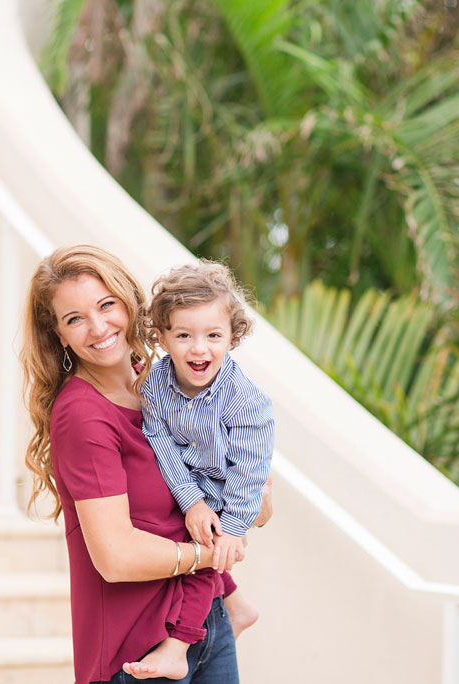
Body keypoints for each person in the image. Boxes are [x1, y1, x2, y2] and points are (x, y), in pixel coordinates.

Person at [21, 245, 270, 684]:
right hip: (136, 652)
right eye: (74, 319)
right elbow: (116, 557)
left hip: (203, 627)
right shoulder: (82, 414)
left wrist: (247, 504)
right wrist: (213, 553)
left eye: (106, 305)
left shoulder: (161, 383)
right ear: (59, 335)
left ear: (128, 302)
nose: (98, 327)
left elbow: (256, 497)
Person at [128, 261, 273, 679]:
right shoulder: (155, 383)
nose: (199, 349)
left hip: (232, 489)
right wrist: (190, 500)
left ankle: (178, 645)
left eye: (213, 335)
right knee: (182, 521)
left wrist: (232, 528)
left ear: (232, 336)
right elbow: (157, 438)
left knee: (204, 554)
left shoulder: (247, 402)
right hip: (191, 483)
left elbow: (250, 474)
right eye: (184, 335)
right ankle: (237, 604)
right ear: (162, 337)